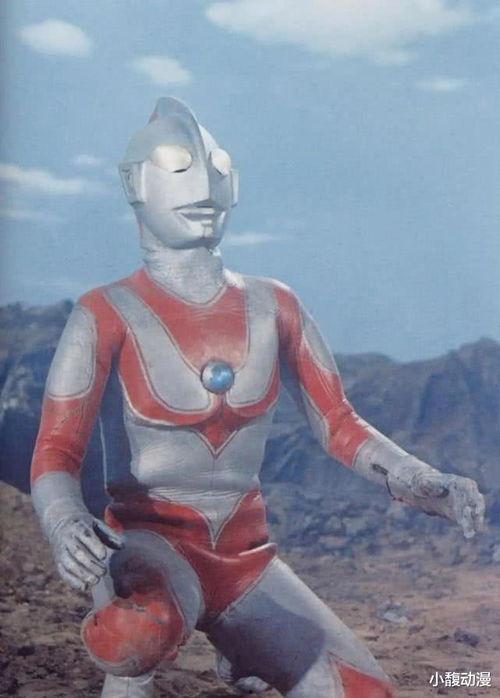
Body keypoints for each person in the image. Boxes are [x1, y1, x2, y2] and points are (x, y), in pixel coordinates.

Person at [31, 97, 485, 698]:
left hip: (247, 560)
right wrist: (65, 524)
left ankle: (244, 644)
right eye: (178, 164)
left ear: (233, 185)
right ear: (133, 184)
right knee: (132, 637)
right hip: (150, 552)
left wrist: (419, 478)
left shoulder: (276, 305)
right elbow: (56, 451)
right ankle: (198, 643)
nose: (203, 183)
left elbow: (338, 422)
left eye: (217, 166)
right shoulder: (103, 313)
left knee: (366, 691)